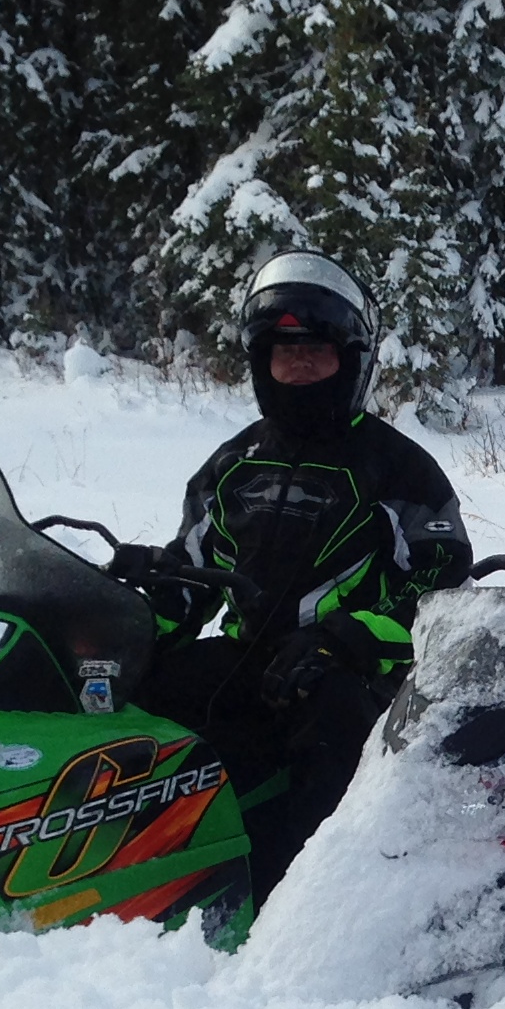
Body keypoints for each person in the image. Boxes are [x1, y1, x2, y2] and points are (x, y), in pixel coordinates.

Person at [119, 250, 472, 901]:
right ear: (263, 364)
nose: (299, 366)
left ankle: (317, 900)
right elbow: (194, 569)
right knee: (144, 692)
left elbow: (444, 592)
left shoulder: (398, 468)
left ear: (349, 361)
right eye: (284, 353)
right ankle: (136, 873)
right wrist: (130, 613)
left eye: (315, 352)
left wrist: (350, 637)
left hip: (360, 675)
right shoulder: (234, 463)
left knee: (330, 717)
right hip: (252, 657)